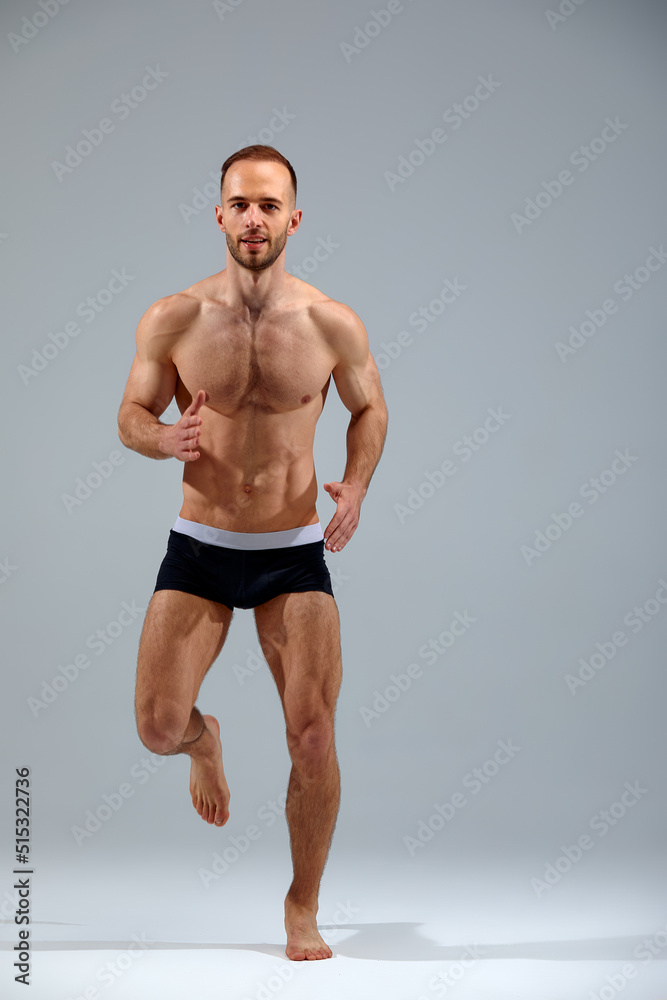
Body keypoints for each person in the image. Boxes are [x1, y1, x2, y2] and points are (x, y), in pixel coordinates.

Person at [117, 144, 388, 961]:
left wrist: (356, 485)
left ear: (294, 219)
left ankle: (302, 904)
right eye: (240, 203)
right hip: (200, 547)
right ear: (219, 215)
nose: (254, 219)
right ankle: (206, 743)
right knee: (157, 728)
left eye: (269, 205)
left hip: (293, 551)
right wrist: (163, 439)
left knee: (312, 736)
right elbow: (131, 413)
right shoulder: (173, 318)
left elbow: (369, 408)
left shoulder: (330, 322)